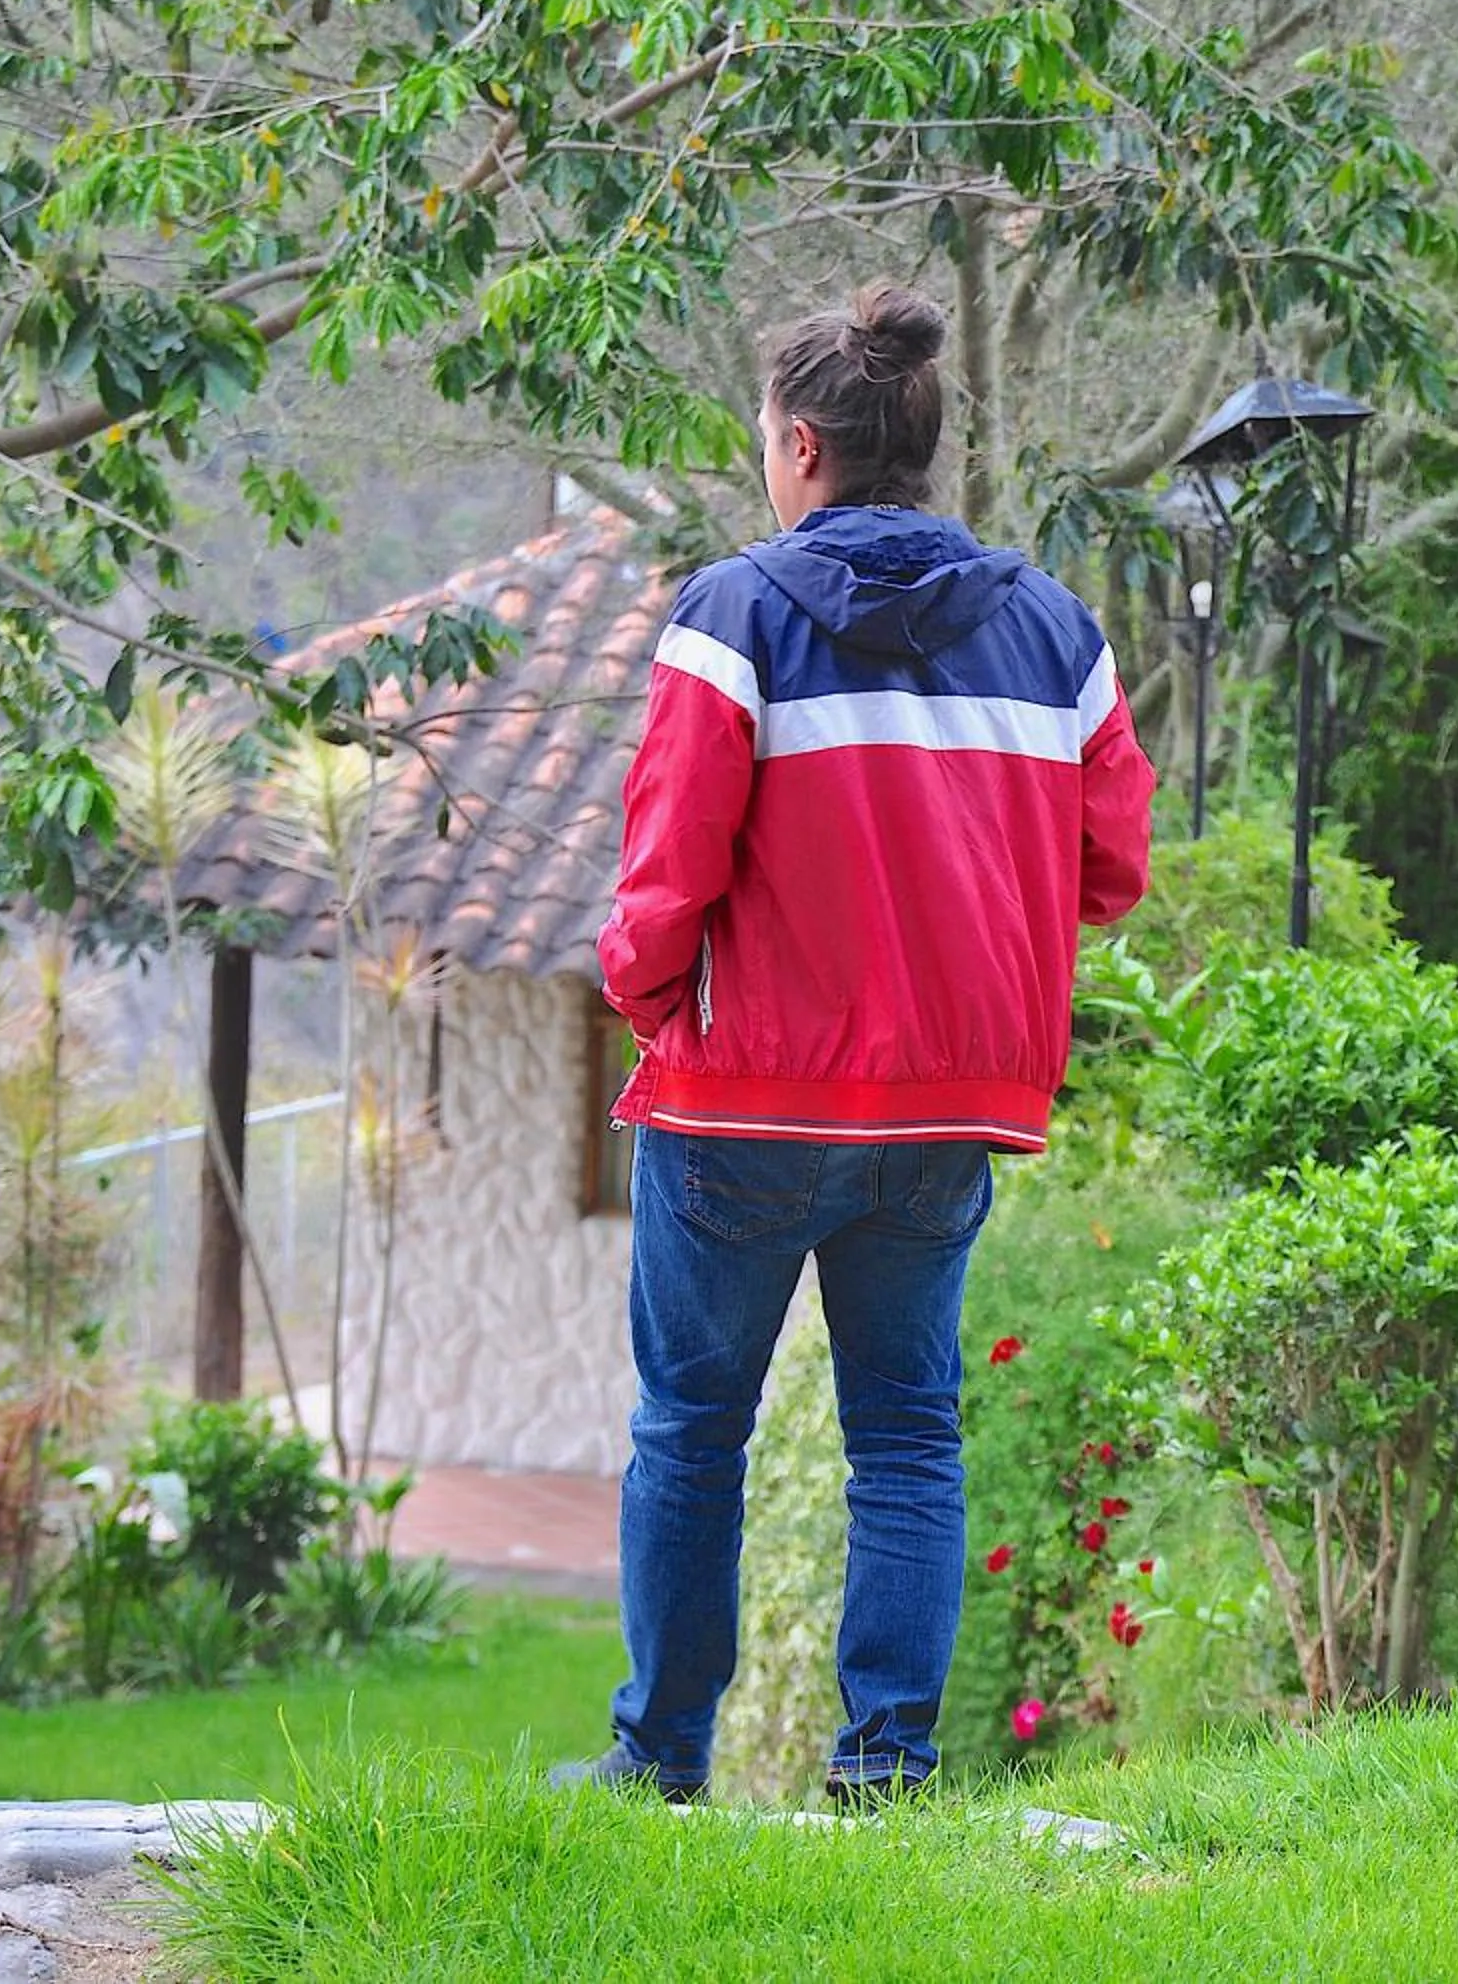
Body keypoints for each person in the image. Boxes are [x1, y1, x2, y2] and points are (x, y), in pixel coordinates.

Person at [555, 284, 1156, 1808]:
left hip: (743, 1103)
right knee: (908, 1433)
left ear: (803, 445)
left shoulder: (733, 616)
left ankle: (661, 1763)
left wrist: (650, 1004)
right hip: (949, 1109)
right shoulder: (1056, 631)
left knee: (693, 1431)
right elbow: (1113, 865)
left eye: (767, 436)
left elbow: (665, 873)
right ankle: (885, 1775)